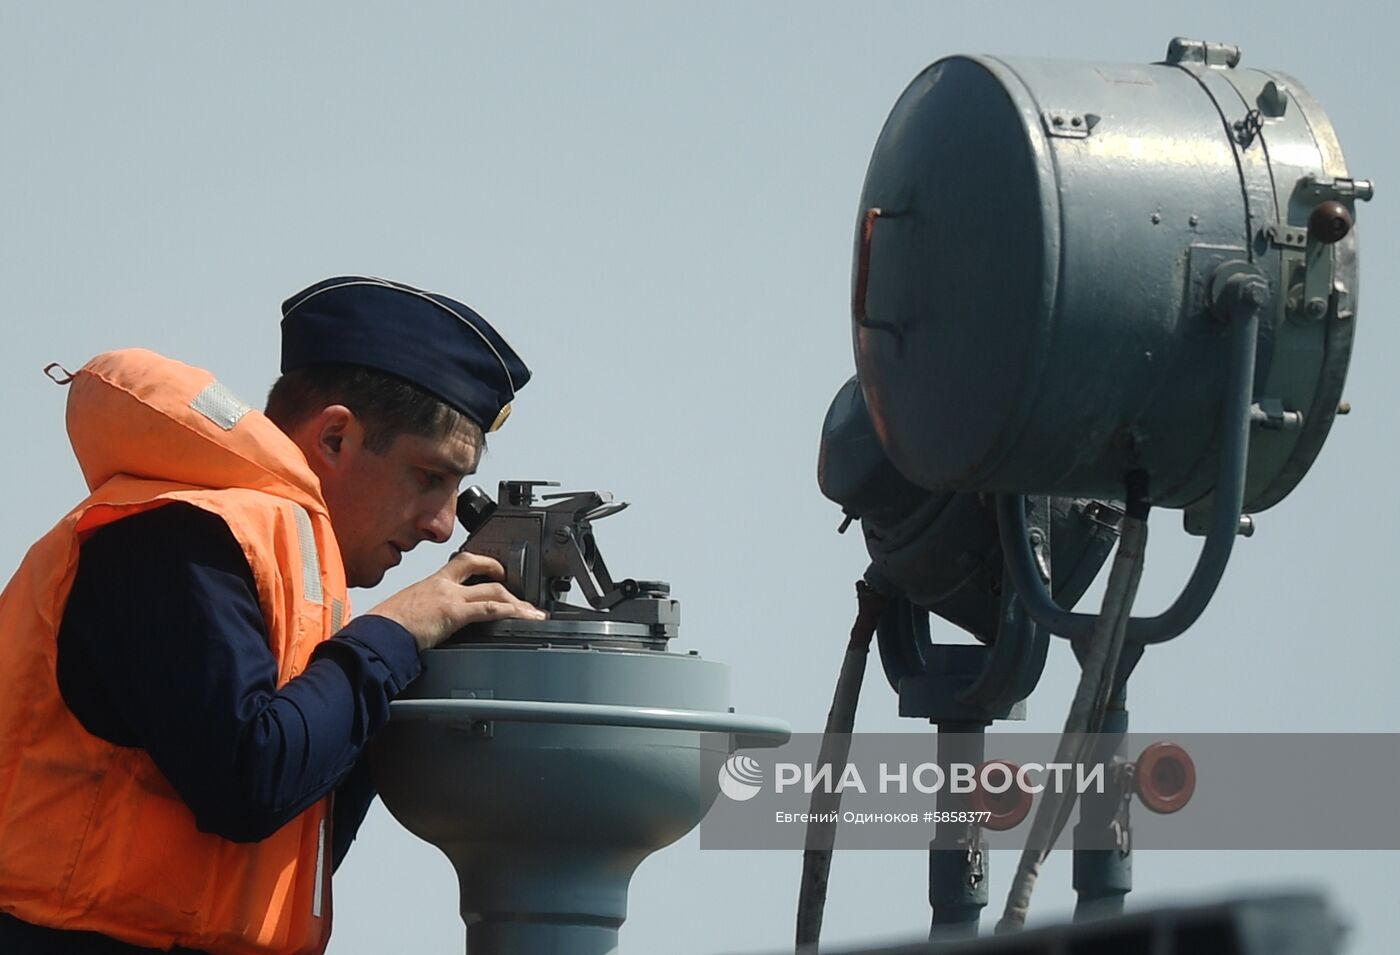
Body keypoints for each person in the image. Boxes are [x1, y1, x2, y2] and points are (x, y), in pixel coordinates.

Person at [0, 276, 547, 954]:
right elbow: (248, 779)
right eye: (430, 476)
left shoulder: (279, 576)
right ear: (337, 437)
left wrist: (412, 665)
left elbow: (288, 829)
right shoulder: (177, 536)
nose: (442, 525)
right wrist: (392, 637)